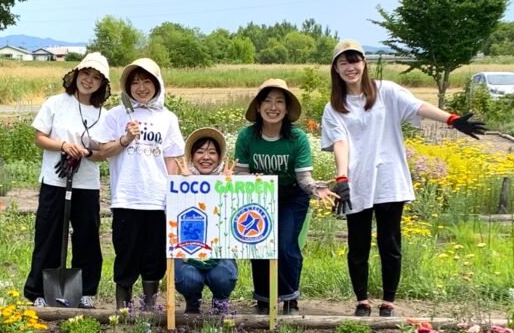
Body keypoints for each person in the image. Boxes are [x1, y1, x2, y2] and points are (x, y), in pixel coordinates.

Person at [321, 39, 486, 317]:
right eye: (344, 62)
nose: (351, 67)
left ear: (364, 63)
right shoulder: (335, 108)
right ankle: (361, 300)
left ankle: (389, 301)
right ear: (336, 69)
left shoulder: (387, 92)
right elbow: (340, 143)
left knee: (390, 242)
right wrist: (342, 177)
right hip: (357, 182)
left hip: (389, 179)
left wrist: (451, 119)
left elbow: (418, 107)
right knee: (357, 244)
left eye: (355, 60)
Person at [233, 79, 335, 315]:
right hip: (258, 196)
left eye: (280, 101)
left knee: (286, 245)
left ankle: (290, 298)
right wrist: (253, 181)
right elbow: (241, 174)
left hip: (291, 196)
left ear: (287, 109)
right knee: (259, 244)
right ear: (258, 107)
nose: (273, 106)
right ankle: (264, 298)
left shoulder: (297, 138)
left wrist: (315, 188)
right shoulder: (247, 137)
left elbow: (304, 178)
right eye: (267, 101)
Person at [23, 52, 112, 309]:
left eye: (96, 78)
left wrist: (87, 152)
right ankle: (38, 290)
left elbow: (102, 153)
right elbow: (40, 137)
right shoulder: (56, 103)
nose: (89, 80)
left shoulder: (102, 114)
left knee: (87, 237)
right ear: (76, 74)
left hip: (86, 184)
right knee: (48, 235)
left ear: (102, 85)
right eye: (86, 74)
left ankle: (85, 291)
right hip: (55, 180)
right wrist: (63, 145)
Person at [95, 57, 184, 310]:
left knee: (153, 254)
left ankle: (149, 306)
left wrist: (170, 194)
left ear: (157, 84)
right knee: (126, 252)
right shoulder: (115, 115)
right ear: (127, 87)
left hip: (156, 199)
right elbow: (102, 150)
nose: (141, 87)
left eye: (147, 81)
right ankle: (122, 308)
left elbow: (171, 158)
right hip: (127, 196)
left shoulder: (167, 118)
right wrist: (125, 138)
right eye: (135, 82)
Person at [175, 127, 238, 314]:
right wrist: (182, 186)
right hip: (189, 250)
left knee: (223, 275)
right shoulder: (178, 183)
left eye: (212, 152)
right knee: (188, 278)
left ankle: (220, 304)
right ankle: (192, 302)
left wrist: (243, 186)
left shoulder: (230, 182)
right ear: (192, 156)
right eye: (200, 152)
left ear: (219, 157)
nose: (206, 157)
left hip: (220, 251)